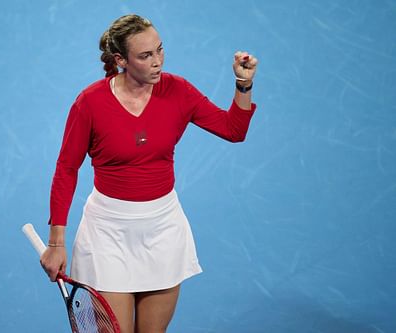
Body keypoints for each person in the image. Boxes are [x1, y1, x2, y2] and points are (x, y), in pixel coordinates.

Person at [41, 14, 258, 333]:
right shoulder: (90, 103)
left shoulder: (179, 91)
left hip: (163, 231)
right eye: (145, 55)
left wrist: (243, 84)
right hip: (107, 236)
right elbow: (67, 169)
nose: (157, 61)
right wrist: (56, 242)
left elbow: (233, 130)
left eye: (160, 50)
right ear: (121, 60)